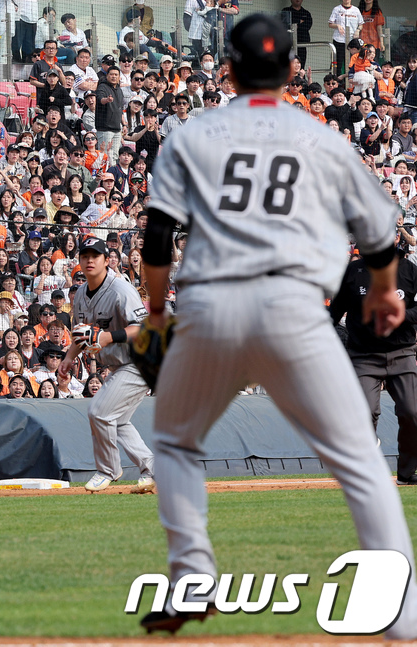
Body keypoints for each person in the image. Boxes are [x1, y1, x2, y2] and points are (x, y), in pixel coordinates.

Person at [137, 15, 417, 637]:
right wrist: (384, 290)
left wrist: (156, 313)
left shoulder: (193, 133)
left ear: (228, 71)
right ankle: (402, 617)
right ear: (292, 69)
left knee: (176, 444)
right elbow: (379, 235)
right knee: (360, 461)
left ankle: (192, 578)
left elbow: (158, 238)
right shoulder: (321, 139)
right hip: (295, 310)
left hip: (209, 309)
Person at [57, 236, 154, 494]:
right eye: (85, 256)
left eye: (95, 256)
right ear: (79, 261)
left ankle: (108, 470)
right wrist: (69, 357)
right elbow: (83, 333)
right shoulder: (80, 294)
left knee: (99, 412)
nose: (89, 260)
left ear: (107, 260)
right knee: (117, 421)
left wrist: (107, 337)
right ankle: (153, 469)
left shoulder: (121, 289)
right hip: (122, 365)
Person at [330, 254, 417, 484]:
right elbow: (334, 311)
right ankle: (366, 470)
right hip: (363, 356)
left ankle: (407, 472)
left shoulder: (409, 270)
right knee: (364, 413)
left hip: (402, 352)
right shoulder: (353, 271)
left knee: (412, 412)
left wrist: (403, 314)